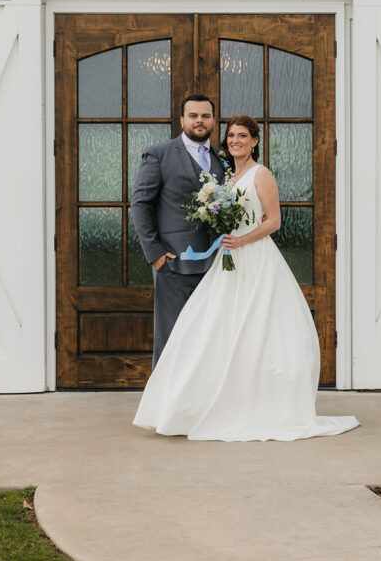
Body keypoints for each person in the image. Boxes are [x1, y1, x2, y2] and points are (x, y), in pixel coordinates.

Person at [133, 115, 359, 441]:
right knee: (213, 327)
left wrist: (241, 239)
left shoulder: (261, 174)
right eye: (231, 136)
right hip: (227, 258)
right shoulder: (226, 175)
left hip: (253, 256)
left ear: (255, 141)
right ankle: (199, 402)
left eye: (242, 136)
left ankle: (260, 402)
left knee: (256, 325)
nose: (235, 140)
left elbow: (275, 221)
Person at [131, 94, 227, 367]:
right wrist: (156, 254)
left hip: (217, 265)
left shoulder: (223, 159)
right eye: (194, 116)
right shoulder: (158, 155)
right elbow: (140, 205)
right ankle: (165, 405)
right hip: (174, 263)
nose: (200, 121)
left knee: (209, 339)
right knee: (172, 337)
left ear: (213, 120)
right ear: (182, 119)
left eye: (205, 116)